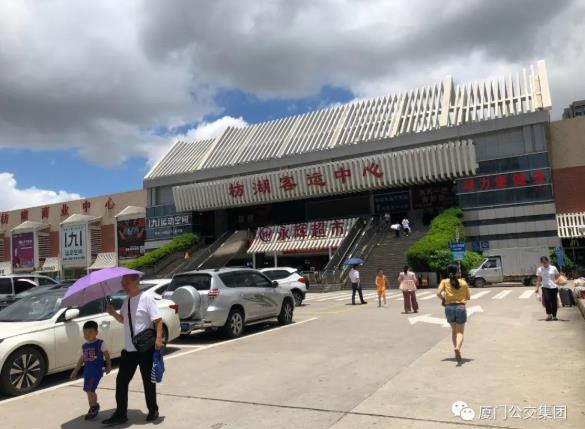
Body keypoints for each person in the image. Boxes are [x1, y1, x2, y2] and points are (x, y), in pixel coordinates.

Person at [104, 274, 164, 425]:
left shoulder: (147, 298)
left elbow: (158, 320)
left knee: (148, 381)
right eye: (122, 283)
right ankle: (121, 414)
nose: (124, 285)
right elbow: (124, 320)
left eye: (127, 282)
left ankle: (153, 410)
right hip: (129, 350)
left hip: (145, 349)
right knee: (121, 381)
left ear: (136, 282)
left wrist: (158, 339)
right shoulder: (126, 301)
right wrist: (113, 313)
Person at [70, 320, 112, 420]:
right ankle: (92, 407)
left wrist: (108, 366)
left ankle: (94, 407)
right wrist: (75, 371)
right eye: (85, 333)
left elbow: (107, 355)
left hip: (96, 372)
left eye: (90, 332)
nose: (87, 335)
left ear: (96, 332)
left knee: (90, 389)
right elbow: (81, 359)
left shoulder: (100, 343)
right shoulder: (84, 346)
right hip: (87, 372)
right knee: (87, 390)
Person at [436, 264, 470, 364]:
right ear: (457, 272)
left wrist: (444, 299)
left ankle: (455, 349)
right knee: (460, 332)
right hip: (461, 307)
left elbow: (438, 293)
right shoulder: (463, 282)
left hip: (449, 307)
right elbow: (468, 297)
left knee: (454, 330)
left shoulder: (444, 282)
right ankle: (457, 348)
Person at [535, 256, 561, 321]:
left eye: (546, 262)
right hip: (545, 287)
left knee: (554, 301)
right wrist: (537, 288)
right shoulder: (539, 269)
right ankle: (549, 315)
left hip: (554, 286)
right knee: (547, 299)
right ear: (541, 263)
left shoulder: (553, 268)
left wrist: (559, 281)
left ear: (548, 261)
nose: (545, 264)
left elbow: (558, 276)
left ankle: (554, 316)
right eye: (543, 263)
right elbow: (538, 279)